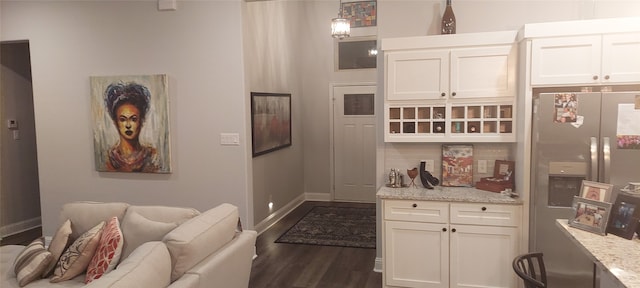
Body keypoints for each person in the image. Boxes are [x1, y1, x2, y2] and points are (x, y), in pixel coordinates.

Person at [104, 82, 160, 172]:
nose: (128, 125)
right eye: (122, 119)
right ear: (115, 122)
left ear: (141, 121)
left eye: (133, 119)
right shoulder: (109, 160)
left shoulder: (153, 158)